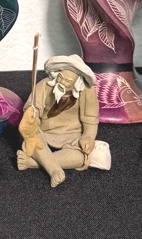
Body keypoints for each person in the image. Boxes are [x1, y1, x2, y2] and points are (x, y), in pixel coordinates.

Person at [17, 54, 109, 187]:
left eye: (68, 81)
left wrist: (88, 136)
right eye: (61, 77)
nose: (62, 82)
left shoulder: (86, 91)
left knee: (80, 157)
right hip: (44, 131)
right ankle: (54, 169)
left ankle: (34, 163)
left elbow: (90, 118)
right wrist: (32, 115)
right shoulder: (44, 85)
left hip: (71, 134)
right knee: (30, 134)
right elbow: (34, 107)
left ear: (77, 82)